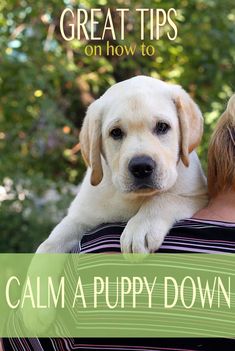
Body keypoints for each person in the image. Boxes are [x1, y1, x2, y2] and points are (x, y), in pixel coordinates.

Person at [2, 95, 235, 350]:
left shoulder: (96, 252)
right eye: (116, 133)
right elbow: (76, 222)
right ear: (96, 147)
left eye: (161, 128)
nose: (141, 158)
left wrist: (160, 211)